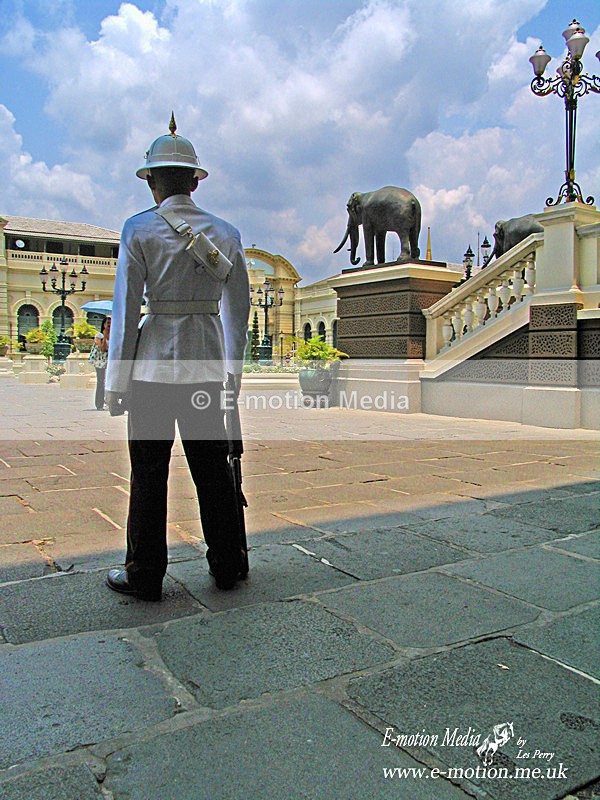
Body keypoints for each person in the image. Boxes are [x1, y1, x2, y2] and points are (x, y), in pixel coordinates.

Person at [104, 115, 250, 601]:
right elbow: (239, 314)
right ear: (194, 180)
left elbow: (126, 311)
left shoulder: (139, 229)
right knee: (212, 469)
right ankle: (228, 564)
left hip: (150, 372)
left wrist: (116, 384)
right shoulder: (226, 233)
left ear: (152, 182)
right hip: (205, 364)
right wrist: (233, 377)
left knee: (148, 473)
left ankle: (144, 573)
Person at [93, 316, 110, 410]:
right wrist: (105, 336)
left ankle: (108, 401)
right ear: (103, 325)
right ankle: (99, 403)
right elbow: (102, 348)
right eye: (108, 324)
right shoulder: (99, 336)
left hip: (110, 362)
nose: (109, 326)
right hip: (100, 362)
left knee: (108, 382)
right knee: (101, 382)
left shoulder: (114, 335)